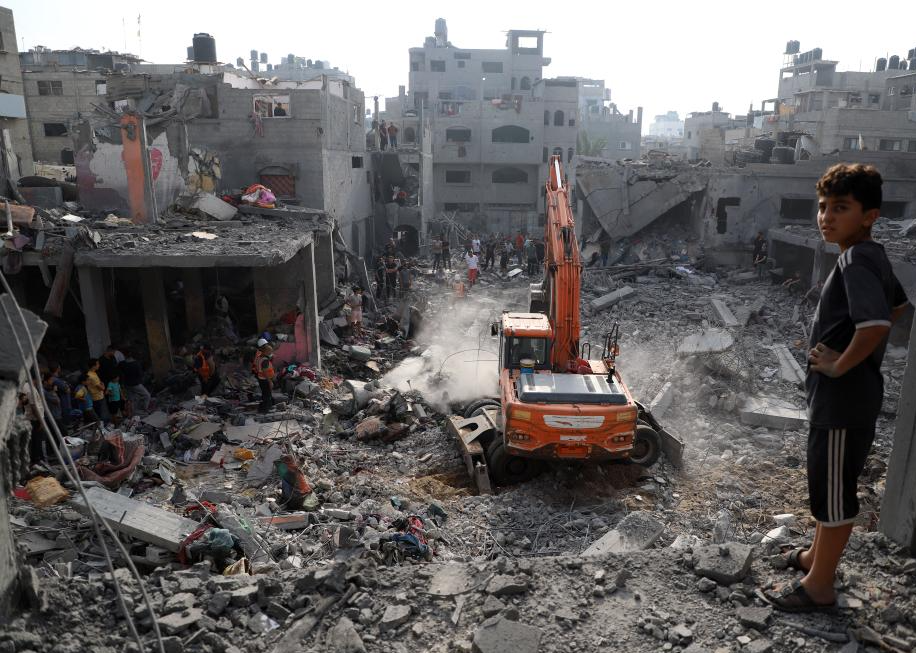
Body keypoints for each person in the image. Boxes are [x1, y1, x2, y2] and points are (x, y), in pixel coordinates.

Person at [765, 163, 909, 613]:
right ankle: (813, 558)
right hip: (849, 400)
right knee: (828, 489)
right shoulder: (873, 255)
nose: (826, 217)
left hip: (842, 402)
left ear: (869, 215)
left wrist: (839, 364)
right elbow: (901, 306)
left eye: (841, 208)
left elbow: (878, 322)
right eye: (823, 207)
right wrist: (854, 351)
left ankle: (820, 586)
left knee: (834, 496)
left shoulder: (854, 261)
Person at [119, 350, 150, 415]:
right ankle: (144, 409)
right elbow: (140, 374)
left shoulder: (122, 364)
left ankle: (133, 412)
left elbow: (119, 373)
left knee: (131, 399)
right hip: (136, 384)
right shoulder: (136, 364)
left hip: (126, 384)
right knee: (147, 395)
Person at [253, 339, 276, 413]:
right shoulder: (264, 360)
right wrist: (269, 381)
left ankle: (263, 408)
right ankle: (266, 410)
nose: (271, 353)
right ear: (266, 351)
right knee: (267, 395)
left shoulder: (259, 357)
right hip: (265, 379)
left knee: (265, 394)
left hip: (261, 378)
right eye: (270, 352)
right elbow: (265, 371)